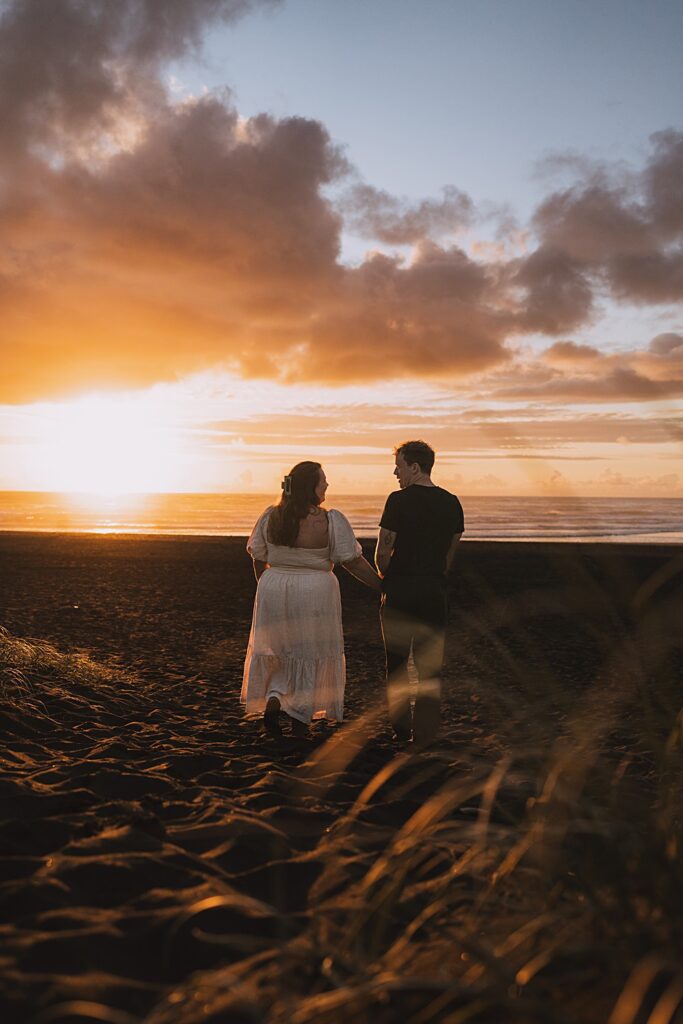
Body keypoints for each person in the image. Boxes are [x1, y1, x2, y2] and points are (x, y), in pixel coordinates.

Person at [241, 461, 381, 738]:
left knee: (279, 650)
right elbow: (351, 561)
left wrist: (266, 585)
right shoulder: (329, 519)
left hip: (273, 588)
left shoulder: (271, 516)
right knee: (309, 650)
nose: (327, 485)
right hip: (314, 591)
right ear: (311, 487)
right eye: (323, 481)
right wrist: (381, 585)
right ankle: (299, 721)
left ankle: (274, 698)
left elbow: (258, 555)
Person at [375, 440, 464, 746]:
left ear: (414, 467)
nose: (395, 472)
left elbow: (382, 553)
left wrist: (388, 577)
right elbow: (450, 554)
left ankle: (401, 731)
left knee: (397, 664)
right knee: (430, 665)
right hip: (433, 591)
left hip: (400, 590)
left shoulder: (398, 500)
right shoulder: (452, 502)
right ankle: (424, 733)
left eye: (399, 465)